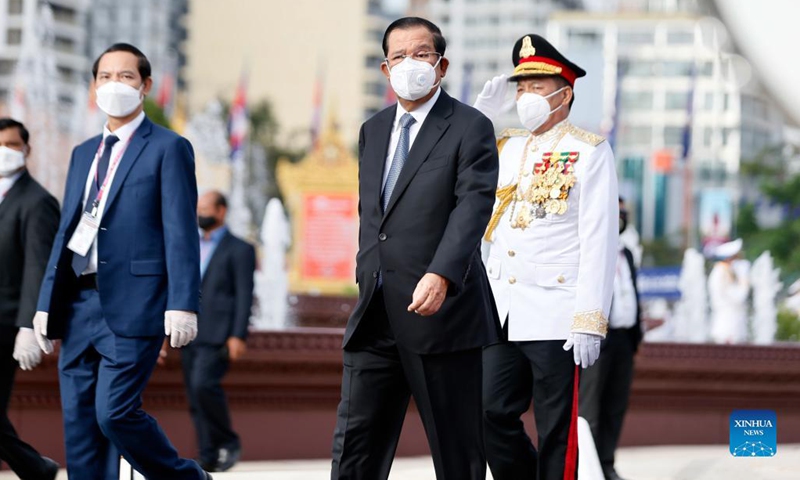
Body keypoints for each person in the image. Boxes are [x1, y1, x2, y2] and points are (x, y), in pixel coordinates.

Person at [330, 17, 500, 480]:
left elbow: (472, 207)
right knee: (354, 450)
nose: (411, 64)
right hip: (375, 313)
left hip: (440, 313)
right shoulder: (374, 129)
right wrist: (367, 274)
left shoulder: (470, 126)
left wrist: (442, 273)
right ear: (385, 69)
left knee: (456, 453)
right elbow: (375, 216)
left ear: (441, 65)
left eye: (421, 54)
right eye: (399, 56)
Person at [32, 43, 211, 479]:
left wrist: (183, 302)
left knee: (114, 413)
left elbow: (181, 231)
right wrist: (42, 303)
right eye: (106, 77)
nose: (115, 85)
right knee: (79, 423)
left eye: (126, 76)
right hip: (77, 305)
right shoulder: (83, 153)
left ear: (146, 86)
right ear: (94, 86)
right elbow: (66, 231)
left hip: (136, 304)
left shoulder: (169, 147)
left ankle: (187, 477)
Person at [474, 34, 619, 480]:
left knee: (558, 431)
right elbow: (450, 170)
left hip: (558, 313)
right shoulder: (505, 146)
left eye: (536, 86)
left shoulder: (588, 151)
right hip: (502, 308)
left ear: (564, 92)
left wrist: (589, 317)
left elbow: (599, 239)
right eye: (520, 87)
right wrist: (479, 120)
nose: (525, 96)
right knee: (489, 413)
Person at [0, 118, 60, 479]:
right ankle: (36, 468)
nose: (3, 153)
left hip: (6, 324)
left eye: (10, 145)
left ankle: (36, 468)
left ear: (27, 150)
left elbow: (40, 267)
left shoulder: (38, 201)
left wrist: (29, 324)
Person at [180, 190, 255, 472]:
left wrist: (238, 335)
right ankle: (208, 454)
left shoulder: (240, 249)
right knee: (193, 394)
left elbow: (244, 295)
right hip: (188, 331)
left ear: (221, 211)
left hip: (218, 333)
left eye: (206, 208)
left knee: (203, 385)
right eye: (198, 207)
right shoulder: (189, 244)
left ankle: (228, 440)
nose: (200, 213)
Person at [579, 197, 643, 480]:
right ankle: (588, 469)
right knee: (591, 407)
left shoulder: (626, 253)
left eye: (623, 213)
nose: (620, 218)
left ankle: (606, 464)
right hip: (598, 340)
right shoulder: (589, 249)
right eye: (616, 213)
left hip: (623, 340)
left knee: (615, 406)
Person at [708, 238, 749, 344]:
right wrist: (744, 278)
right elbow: (740, 296)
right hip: (729, 328)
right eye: (737, 256)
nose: (740, 259)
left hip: (731, 326)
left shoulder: (724, 272)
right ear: (729, 259)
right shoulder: (722, 274)